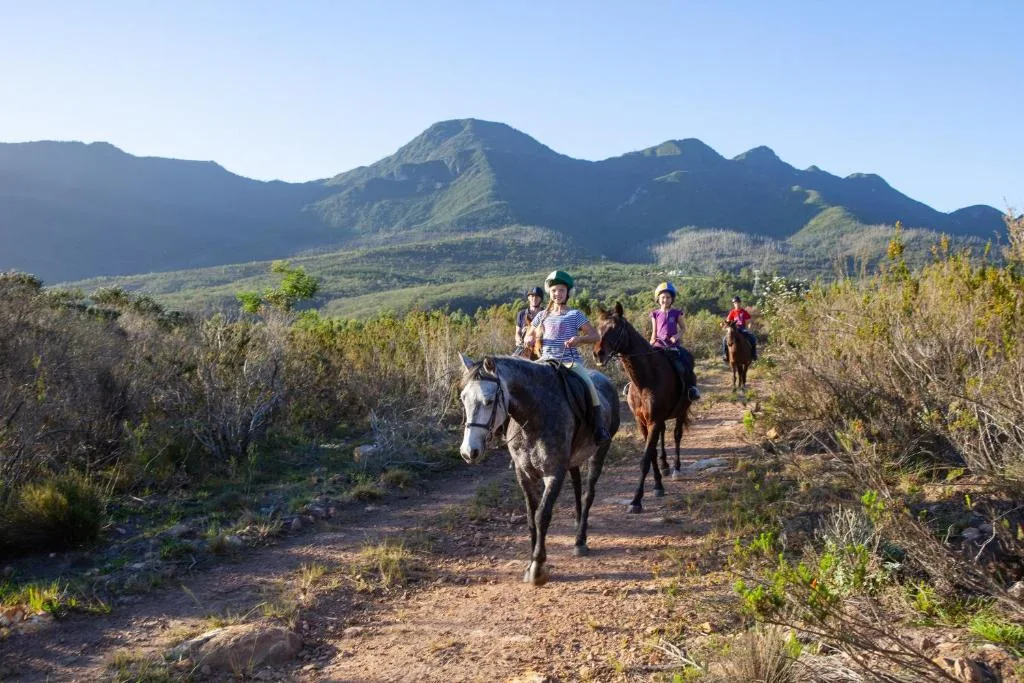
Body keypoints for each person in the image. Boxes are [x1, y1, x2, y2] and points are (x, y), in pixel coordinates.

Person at [523, 270, 611, 446]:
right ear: (550, 293)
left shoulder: (575, 315)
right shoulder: (542, 315)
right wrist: (529, 339)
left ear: (567, 293)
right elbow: (528, 335)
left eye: (561, 290)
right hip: (545, 360)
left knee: (588, 383)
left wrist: (579, 339)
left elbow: (595, 336)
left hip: (569, 361)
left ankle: (598, 425)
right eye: (554, 290)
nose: (558, 294)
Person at [649, 282, 701, 401]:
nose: (665, 300)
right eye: (663, 297)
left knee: (684, 365)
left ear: (672, 299)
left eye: (668, 297)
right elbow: (654, 331)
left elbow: (683, 328)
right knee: (644, 363)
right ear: (658, 299)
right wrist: (652, 340)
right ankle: (634, 386)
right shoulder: (655, 314)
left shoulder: (677, 313)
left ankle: (691, 389)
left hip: (673, 346)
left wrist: (676, 336)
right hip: (658, 346)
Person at [723, 296, 758, 361]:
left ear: (740, 303)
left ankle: (754, 354)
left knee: (753, 337)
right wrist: (725, 325)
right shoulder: (732, 312)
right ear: (734, 304)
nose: (737, 304)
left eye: (738, 303)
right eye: (735, 303)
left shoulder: (744, 312)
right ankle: (725, 355)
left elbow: (749, 321)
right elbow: (728, 320)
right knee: (724, 339)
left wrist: (749, 328)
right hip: (734, 329)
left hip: (742, 328)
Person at [514, 286, 544, 357]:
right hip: (525, 346)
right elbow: (517, 332)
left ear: (541, 299)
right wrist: (518, 340)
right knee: (512, 361)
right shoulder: (521, 314)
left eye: (537, 296)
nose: (534, 298)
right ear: (528, 297)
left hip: (541, 347)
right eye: (532, 296)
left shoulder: (545, 314)